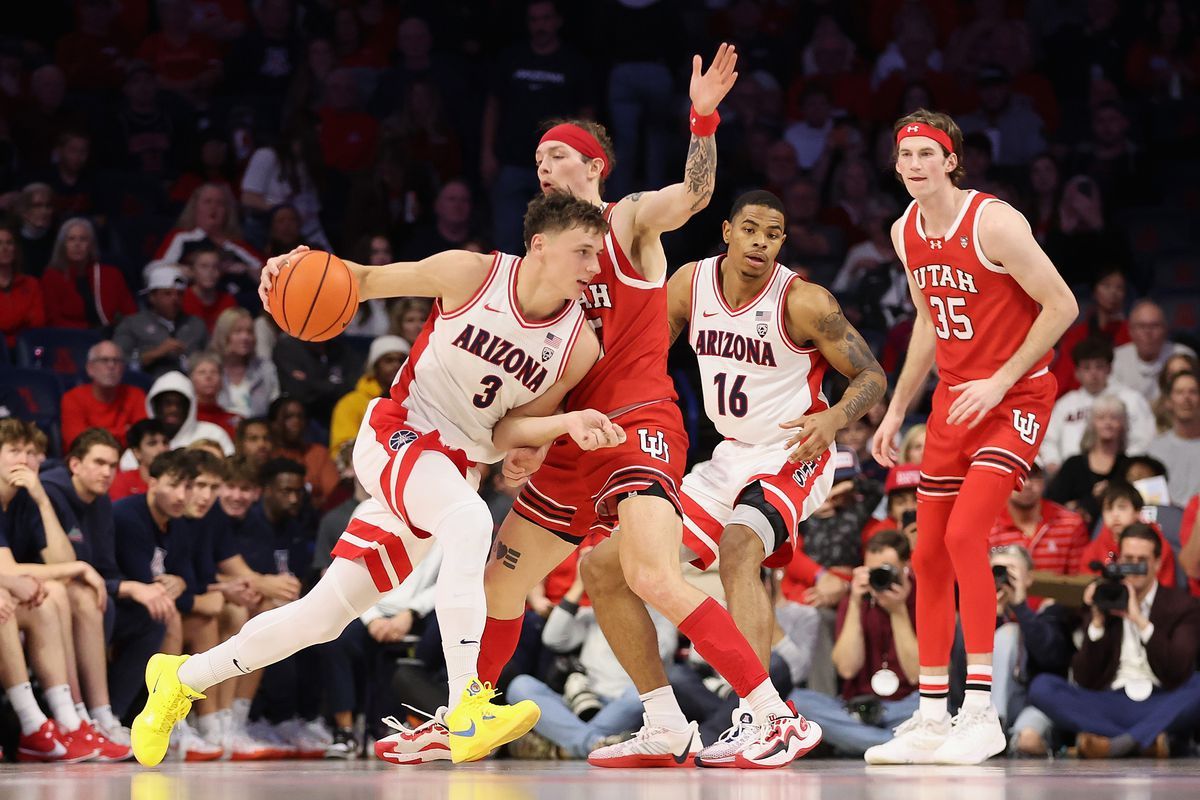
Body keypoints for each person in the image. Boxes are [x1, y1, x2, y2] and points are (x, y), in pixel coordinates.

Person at [131, 191, 625, 768]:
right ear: (540, 246)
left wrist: (552, 431)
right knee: (470, 520)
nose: (595, 269)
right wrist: (289, 267)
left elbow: (504, 430)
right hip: (398, 432)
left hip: (449, 469)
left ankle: (179, 678)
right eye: (585, 252)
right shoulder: (471, 273)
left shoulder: (579, 344)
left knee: (321, 618)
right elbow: (358, 280)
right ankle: (468, 704)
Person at [581, 189, 885, 768]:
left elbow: (871, 375)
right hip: (730, 455)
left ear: (782, 243)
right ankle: (665, 721)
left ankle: (763, 717)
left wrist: (836, 416)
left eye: (773, 234)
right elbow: (641, 356)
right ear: (726, 231)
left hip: (796, 449)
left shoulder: (802, 301)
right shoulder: (688, 286)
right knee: (606, 568)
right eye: (750, 229)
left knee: (739, 548)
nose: (760, 242)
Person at [867, 109, 1078, 765]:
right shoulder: (905, 232)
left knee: (964, 536)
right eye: (906, 157)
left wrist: (1001, 379)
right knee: (926, 551)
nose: (915, 166)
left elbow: (1062, 305)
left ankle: (981, 711)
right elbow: (928, 325)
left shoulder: (995, 221)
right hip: (956, 400)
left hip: (1017, 395)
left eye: (928, 154)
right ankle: (932, 716)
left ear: (952, 160)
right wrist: (898, 409)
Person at [1029, 525, 1200, 757]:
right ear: (1119, 561)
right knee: (1042, 686)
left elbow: (1177, 670)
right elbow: (1085, 678)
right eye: (1128, 559)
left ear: (1158, 563)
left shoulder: (1183, 605)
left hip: (1161, 701)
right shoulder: (1105, 598)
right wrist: (1097, 622)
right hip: (1110, 703)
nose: (1134, 566)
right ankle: (1143, 741)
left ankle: (1116, 744)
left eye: (1142, 560)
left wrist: (1140, 621)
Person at [787, 530, 918, 757]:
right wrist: (856, 604)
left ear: (906, 566)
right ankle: (895, 745)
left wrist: (898, 612)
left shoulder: (923, 596)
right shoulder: (857, 599)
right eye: (872, 570)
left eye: (886, 570)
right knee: (798, 702)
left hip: (906, 707)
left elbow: (916, 674)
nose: (879, 577)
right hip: (857, 709)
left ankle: (862, 742)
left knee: (934, 707)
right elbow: (847, 668)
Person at [988, 544, 1076, 757]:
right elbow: (961, 671)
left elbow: (1052, 658)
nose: (1004, 577)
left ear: (1029, 578)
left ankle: (1001, 733)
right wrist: (993, 616)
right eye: (997, 571)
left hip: (1036, 702)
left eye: (1011, 570)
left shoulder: (1049, 609)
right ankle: (994, 724)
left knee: (1028, 740)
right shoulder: (979, 615)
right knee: (1006, 633)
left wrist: (1020, 607)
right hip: (993, 705)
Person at [1041, 336, 1153, 472]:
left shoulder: (1131, 399)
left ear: (1110, 369)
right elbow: (1049, 440)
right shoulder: (1065, 405)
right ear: (1077, 372)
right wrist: (1053, 462)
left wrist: (1125, 467)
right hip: (1073, 476)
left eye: (1099, 366)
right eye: (1087, 368)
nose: (1093, 374)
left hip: (1120, 473)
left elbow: (1143, 438)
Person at [988, 463, 1089, 583]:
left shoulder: (1071, 524)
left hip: (1058, 600)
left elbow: (1079, 581)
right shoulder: (986, 525)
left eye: (1034, 476)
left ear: (1045, 481)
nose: (1028, 484)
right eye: (1019, 475)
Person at [1046, 395, 1132, 525]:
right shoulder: (1073, 465)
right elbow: (1052, 506)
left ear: (1123, 424)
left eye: (1114, 418)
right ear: (1092, 424)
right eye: (1101, 418)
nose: (1108, 423)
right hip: (1075, 534)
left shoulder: (1131, 467)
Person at [39, 217, 136, 330]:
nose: (77, 244)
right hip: (72, 337)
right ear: (62, 245)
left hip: (112, 336)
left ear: (91, 245)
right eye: (71, 239)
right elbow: (53, 320)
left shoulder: (112, 274)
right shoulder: (52, 277)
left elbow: (130, 313)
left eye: (83, 239)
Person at [113, 265, 208, 378]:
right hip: (148, 384)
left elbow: (213, 357)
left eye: (179, 294)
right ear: (152, 297)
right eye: (167, 294)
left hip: (192, 385)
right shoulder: (132, 324)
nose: (175, 299)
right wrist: (155, 353)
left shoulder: (196, 324)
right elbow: (117, 361)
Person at [60, 341, 148, 449]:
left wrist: (92, 434)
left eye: (116, 361)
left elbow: (144, 439)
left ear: (123, 368)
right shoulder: (73, 398)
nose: (111, 365)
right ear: (90, 368)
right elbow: (77, 444)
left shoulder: (136, 395)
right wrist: (124, 432)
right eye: (104, 360)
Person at [330, 335, 410, 453]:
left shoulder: (415, 399)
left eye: (401, 360)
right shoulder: (352, 402)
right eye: (389, 360)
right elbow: (342, 449)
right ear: (375, 366)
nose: (396, 365)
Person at [1111, 300, 1196, 402]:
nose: (1148, 332)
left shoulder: (1183, 356)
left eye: (1154, 326)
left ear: (1165, 329)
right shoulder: (1116, 359)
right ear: (1130, 330)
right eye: (1141, 326)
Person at [209, 307, 280, 419]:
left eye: (249, 332)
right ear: (224, 335)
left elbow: (275, 408)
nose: (245, 337)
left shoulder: (265, 369)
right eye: (238, 332)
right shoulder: (210, 369)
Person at [1147, 371, 1200, 504]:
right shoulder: (1155, 450)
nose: (1186, 398)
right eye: (1179, 392)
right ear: (1168, 401)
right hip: (1169, 520)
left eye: (1193, 392)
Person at [0, 222, 46, 347]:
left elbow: (38, 322)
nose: (4, 248)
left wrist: (9, 322)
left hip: (27, 346)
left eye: (9, 243)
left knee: (36, 349)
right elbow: (4, 322)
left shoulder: (31, 284)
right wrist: (23, 318)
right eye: (0, 243)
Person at [111, 419, 170, 501]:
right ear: (137, 452)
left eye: (165, 442)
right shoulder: (122, 482)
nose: (162, 449)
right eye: (152, 443)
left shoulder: (179, 483)